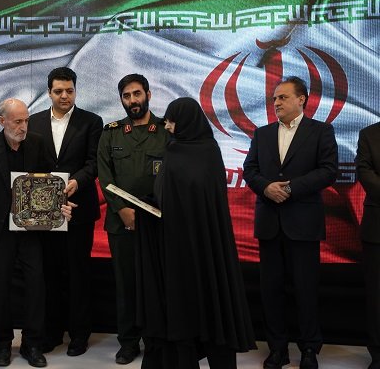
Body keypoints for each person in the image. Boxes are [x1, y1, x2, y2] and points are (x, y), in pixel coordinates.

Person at [135, 97, 255, 369]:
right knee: (184, 306)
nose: (168, 126)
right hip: (178, 245)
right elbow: (170, 193)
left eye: (172, 121)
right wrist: (149, 204)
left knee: (210, 304)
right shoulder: (174, 149)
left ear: (186, 121)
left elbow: (202, 198)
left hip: (203, 245)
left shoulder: (207, 151)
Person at [0, 98, 74, 368]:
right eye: (17, 121)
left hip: (32, 229)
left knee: (36, 287)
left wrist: (61, 205)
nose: (23, 126)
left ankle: (33, 344)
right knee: (0, 288)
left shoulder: (37, 143)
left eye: (26, 120)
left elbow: (50, 181)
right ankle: (2, 345)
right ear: (1, 121)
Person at [243, 76, 338, 369]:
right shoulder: (262, 134)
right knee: (271, 291)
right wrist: (266, 187)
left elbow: (328, 171)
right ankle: (278, 349)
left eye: (282, 97)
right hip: (269, 224)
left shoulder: (321, 131)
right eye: (274, 98)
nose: (276, 103)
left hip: (303, 223)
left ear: (301, 99)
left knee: (306, 289)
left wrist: (290, 188)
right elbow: (249, 170)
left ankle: (309, 349)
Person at [28, 67, 103, 356]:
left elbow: (94, 163)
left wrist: (75, 183)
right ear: (49, 92)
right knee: (50, 275)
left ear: (75, 91)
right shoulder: (34, 122)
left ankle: (79, 335)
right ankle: (52, 333)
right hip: (44, 212)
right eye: (58, 91)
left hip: (78, 209)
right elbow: (30, 164)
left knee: (78, 274)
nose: (64, 96)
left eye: (69, 90)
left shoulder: (91, 122)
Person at [97, 74, 167, 365]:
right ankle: (127, 342)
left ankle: (155, 341)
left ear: (148, 94)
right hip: (120, 222)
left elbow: (172, 177)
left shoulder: (165, 131)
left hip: (157, 223)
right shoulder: (111, 132)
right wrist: (122, 209)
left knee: (156, 284)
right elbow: (105, 175)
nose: (132, 100)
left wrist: (150, 213)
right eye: (126, 96)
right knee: (126, 285)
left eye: (137, 94)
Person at [356, 121, 380, 369]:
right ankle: (378, 354)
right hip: (377, 228)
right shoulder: (369, 134)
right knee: (376, 297)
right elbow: (364, 171)